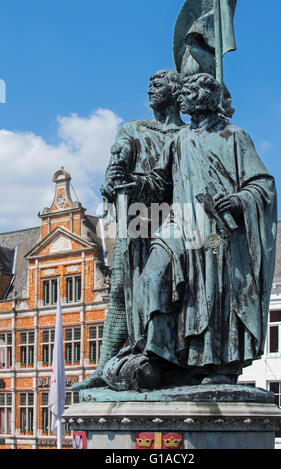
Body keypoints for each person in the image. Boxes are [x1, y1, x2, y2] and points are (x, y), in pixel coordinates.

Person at [106, 73, 277, 388]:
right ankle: (159, 352)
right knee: (151, 276)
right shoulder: (179, 139)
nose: (180, 98)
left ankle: (215, 363)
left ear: (205, 96)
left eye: (186, 92)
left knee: (213, 290)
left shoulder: (235, 137)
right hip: (181, 224)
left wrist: (239, 200)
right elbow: (160, 183)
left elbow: (263, 185)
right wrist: (134, 183)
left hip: (216, 231)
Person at [71, 70, 184, 391]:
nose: (150, 90)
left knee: (174, 291)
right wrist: (112, 181)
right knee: (121, 289)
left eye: (158, 85)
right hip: (137, 217)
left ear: (176, 93)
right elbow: (115, 169)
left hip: (179, 220)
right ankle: (103, 365)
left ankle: (169, 358)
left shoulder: (188, 135)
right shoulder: (132, 130)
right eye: (148, 85)